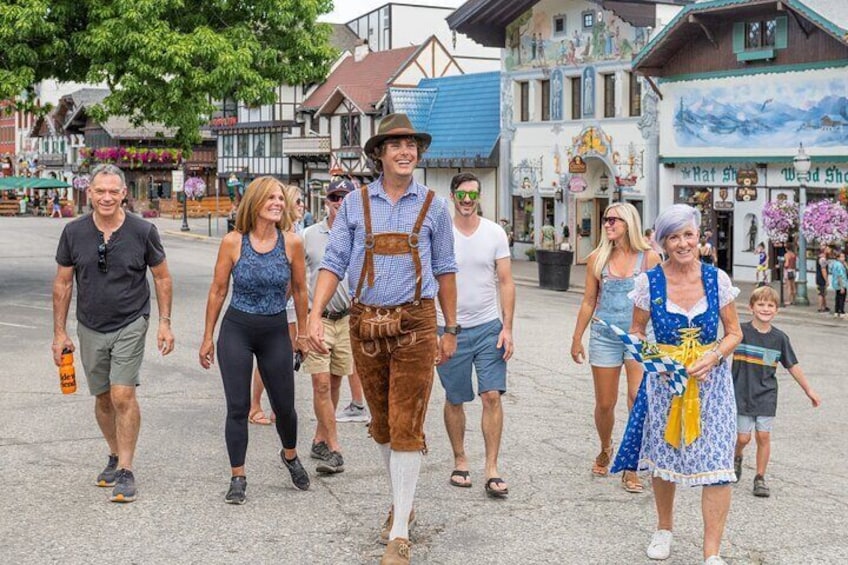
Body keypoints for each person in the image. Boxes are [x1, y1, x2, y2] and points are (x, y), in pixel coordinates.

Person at [307, 113, 457, 565]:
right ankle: (402, 502)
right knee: (382, 426)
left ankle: (399, 531)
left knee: (407, 422)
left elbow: (447, 269)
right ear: (379, 154)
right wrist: (314, 315)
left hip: (416, 322)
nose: (405, 152)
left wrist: (451, 328)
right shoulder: (354, 205)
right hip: (365, 322)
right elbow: (333, 262)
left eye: (411, 145)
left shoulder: (434, 206)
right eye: (396, 146)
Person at [613, 204, 743, 564]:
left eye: (689, 234)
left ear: (698, 237)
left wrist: (714, 356)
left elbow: (734, 333)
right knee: (665, 457)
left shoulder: (717, 280)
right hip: (666, 383)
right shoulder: (649, 283)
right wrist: (658, 360)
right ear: (663, 243)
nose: (684, 243)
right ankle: (664, 528)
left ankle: (711, 553)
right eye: (675, 236)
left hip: (711, 385)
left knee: (717, 464)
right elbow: (637, 333)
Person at [52, 164, 175, 503]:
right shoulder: (73, 232)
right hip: (90, 323)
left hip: (131, 321)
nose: (106, 197)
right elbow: (63, 283)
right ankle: (113, 453)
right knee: (103, 397)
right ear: (89, 193)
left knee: (122, 395)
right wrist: (59, 333)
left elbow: (162, 277)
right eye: (100, 191)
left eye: (113, 191)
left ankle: (126, 469)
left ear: (124, 194)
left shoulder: (143, 231)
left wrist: (164, 321)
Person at [199, 176, 311, 504]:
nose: (277, 203)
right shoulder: (234, 242)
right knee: (237, 406)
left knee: (285, 407)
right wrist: (208, 336)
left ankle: (290, 455)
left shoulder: (291, 242)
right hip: (237, 328)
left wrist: (302, 333)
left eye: (280, 198)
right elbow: (218, 289)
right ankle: (238, 476)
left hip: (275, 329)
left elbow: (301, 290)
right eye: (270, 198)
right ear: (255, 203)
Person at [571, 202, 661, 494]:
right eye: (606, 219)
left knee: (637, 398)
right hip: (604, 334)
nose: (608, 224)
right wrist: (577, 337)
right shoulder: (598, 258)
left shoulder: (649, 258)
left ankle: (631, 464)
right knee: (605, 403)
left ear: (629, 224)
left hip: (638, 336)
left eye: (614, 220)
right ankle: (605, 446)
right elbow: (588, 300)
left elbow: (659, 302)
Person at [437, 172, 515, 498]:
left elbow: (506, 282)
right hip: (449, 328)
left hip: (487, 327)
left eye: (473, 195)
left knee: (491, 396)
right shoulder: (441, 235)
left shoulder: (494, 233)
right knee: (456, 398)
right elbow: (429, 283)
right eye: (462, 195)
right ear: (453, 196)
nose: (467, 201)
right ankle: (460, 458)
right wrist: (433, 330)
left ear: (479, 197)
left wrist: (508, 327)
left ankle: (492, 468)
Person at [733, 286, 821, 498]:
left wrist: (809, 390)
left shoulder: (779, 338)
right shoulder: (739, 332)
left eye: (770, 305)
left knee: (763, 435)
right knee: (743, 438)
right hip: (741, 392)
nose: (765, 308)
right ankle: (736, 457)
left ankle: (760, 478)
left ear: (776, 310)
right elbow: (719, 352)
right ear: (751, 307)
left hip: (766, 394)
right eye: (761, 304)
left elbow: (792, 365)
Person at [302, 178, 359, 474]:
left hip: (347, 320)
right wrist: (298, 325)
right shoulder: (309, 236)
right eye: (335, 197)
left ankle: (320, 438)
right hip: (318, 320)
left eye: (346, 197)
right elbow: (297, 285)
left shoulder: (360, 234)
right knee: (321, 383)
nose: (340, 202)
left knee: (335, 382)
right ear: (326, 202)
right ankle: (334, 448)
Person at [247, 184, 304, 426]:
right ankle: (256, 405)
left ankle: (273, 405)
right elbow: (291, 280)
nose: (302, 206)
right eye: (298, 202)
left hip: (289, 302)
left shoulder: (297, 230)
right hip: (283, 304)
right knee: (274, 355)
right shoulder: (287, 232)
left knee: (281, 356)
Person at [830, 251, 847, 318]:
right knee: (842, 298)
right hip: (841, 283)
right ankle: (841, 311)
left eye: (844, 257)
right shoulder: (840, 265)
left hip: (836, 283)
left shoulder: (835, 264)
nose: (844, 258)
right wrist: (842, 287)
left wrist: (845, 264)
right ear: (838, 258)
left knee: (837, 297)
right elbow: (840, 276)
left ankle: (836, 311)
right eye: (842, 257)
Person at [816, 245, 830, 312]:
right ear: (824, 250)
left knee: (823, 292)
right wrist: (826, 280)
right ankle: (821, 308)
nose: (829, 250)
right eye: (827, 249)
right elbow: (823, 270)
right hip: (821, 278)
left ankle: (824, 306)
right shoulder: (822, 259)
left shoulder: (821, 258)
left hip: (819, 278)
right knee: (821, 293)